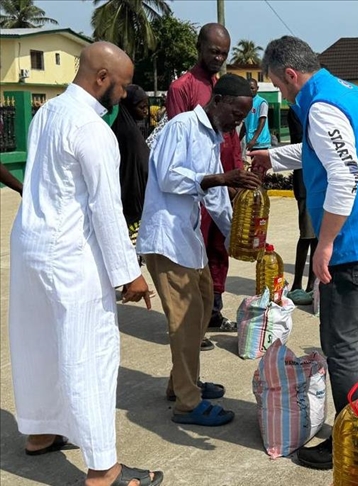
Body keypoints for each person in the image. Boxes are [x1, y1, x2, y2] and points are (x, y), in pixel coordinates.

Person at [250, 35, 358, 470]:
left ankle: (355, 435)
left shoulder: (320, 107)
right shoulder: (349, 94)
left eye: (281, 87)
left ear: (290, 73)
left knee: (340, 343)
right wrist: (272, 157)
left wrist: (324, 244)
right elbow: (324, 153)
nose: (284, 96)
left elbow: (344, 173)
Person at [9, 41, 162, 486]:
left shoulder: (48, 113)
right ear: (101, 79)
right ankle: (104, 470)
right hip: (70, 254)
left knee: (36, 342)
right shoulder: (94, 130)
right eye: (122, 84)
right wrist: (128, 273)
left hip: (31, 245)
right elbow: (105, 209)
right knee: (90, 355)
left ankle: (39, 433)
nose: (124, 92)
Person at [137, 74, 260, 427]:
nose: (239, 122)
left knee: (204, 304)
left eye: (243, 117)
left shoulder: (213, 136)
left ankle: (182, 383)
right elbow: (168, 178)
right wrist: (223, 178)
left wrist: (239, 236)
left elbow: (218, 199)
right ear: (217, 100)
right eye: (236, 114)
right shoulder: (182, 126)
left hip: (188, 238)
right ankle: (187, 404)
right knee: (185, 320)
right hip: (167, 237)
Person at [165, 23, 239, 345]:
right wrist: (204, 183)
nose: (219, 57)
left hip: (225, 182)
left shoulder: (224, 84)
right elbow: (178, 140)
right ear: (199, 47)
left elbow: (233, 135)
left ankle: (214, 313)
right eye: (213, 51)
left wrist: (236, 176)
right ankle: (193, 323)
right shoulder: (182, 88)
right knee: (195, 256)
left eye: (224, 52)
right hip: (197, 187)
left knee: (220, 249)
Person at [284, 107, 316, 304]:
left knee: (318, 238)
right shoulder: (297, 110)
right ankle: (297, 284)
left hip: (323, 181)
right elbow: (300, 144)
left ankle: (312, 284)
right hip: (306, 180)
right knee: (306, 235)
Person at [112, 84, 150, 248]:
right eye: (141, 107)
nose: (146, 111)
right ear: (129, 107)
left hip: (126, 202)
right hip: (131, 204)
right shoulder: (130, 134)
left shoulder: (127, 128)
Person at [239, 78, 271, 151]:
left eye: (252, 88)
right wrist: (238, 140)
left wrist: (254, 139)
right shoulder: (246, 104)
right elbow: (245, 124)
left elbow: (262, 121)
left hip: (261, 143)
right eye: (248, 88)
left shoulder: (262, 102)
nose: (250, 90)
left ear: (257, 88)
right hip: (250, 142)